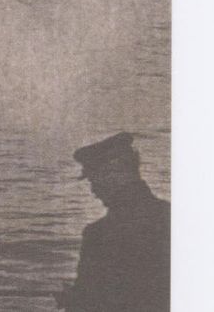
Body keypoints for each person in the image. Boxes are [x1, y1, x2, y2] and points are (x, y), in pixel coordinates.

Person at [56, 132, 170, 311]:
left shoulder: (99, 234)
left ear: (113, 174)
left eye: (94, 180)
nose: (94, 191)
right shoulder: (173, 217)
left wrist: (74, 301)